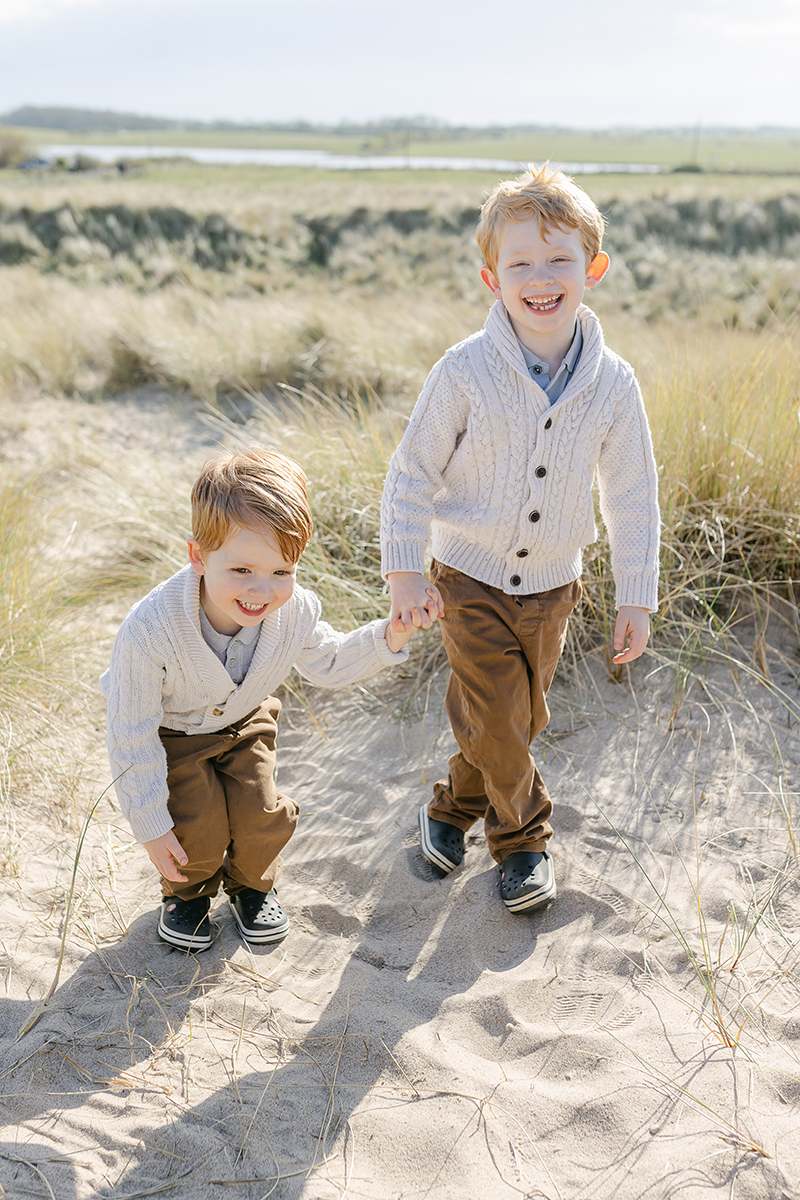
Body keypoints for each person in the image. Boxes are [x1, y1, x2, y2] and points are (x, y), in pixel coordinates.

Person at [380, 163, 660, 914]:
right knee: (502, 714)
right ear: (490, 277)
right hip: (466, 579)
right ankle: (524, 841)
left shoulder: (613, 383)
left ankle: (450, 808)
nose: (541, 278)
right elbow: (410, 473)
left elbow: (632, 496)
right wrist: (406, 571)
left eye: (559, 259)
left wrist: (637, 595)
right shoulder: (464, 371)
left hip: (554, 587)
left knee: (519, 718)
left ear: (592, 270)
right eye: (520, 263)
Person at [102, 446, 433, 951]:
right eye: (241, 571)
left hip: (245, 721)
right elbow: (132, 732)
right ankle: (187, 894)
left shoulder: (292, 612)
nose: (262, 590)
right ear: (199, 557)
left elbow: (329, 659)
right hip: (174, 733)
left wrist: (388, 636)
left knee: (260, 815)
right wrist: (150, 825)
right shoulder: (150, 630)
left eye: (282, 571)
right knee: (197, 826)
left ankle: (252, 888)